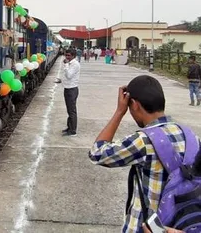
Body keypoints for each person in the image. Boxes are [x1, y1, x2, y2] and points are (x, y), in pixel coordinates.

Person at [89, 75, 200, 233]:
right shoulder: (192, 137)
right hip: (182, 224)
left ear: (133, 104)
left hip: (149, 227)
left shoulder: (143, 141)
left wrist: (120, 111)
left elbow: (97, 153)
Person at [61, 48, 80, 136]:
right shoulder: (70, 63)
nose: (67, 57)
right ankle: (69, 127)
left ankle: (73, 131)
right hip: (68, 88)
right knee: (69, 110)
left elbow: (69, 75)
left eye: (69, 55)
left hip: (72, 89)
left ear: (73, 56)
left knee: (72, 111)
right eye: (66, 55)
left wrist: (65, 65)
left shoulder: (75, 64)